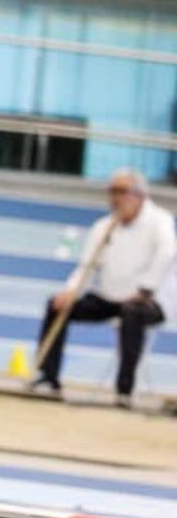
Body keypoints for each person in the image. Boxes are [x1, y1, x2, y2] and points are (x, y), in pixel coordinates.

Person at [31, 168, 175, 406]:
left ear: (139, 195)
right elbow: (87, 266)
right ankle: (48, 377)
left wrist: (145, 289)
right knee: (56, 306)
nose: (115, 198)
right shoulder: (104, 226)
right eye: (111, 192)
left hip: (149, 302)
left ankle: (124, 391)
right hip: (108, 298)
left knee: (132, 314)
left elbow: (166, 254)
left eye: (121, 192)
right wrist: (71, 290)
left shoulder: (160, 221)